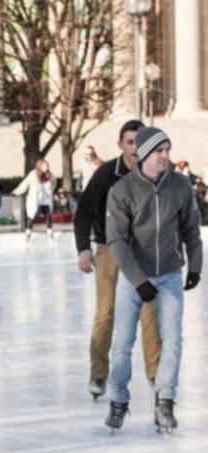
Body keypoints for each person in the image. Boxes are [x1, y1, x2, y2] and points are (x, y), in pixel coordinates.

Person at [104, 127, 202, 433]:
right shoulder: (122, 191)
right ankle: (118, 400)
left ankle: (165, 401)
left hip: (170, 273)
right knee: (122, 343)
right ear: (145, 154)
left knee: (172, 342)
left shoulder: (180, 185)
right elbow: (117, 242)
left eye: (168, 150)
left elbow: (191, 230)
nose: (165, 156)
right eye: (159, 151)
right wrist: (138, 280)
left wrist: (195, 266)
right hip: (135, 278)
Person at [73, 119, 160, 400]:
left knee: (149, 311)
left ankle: (155, 374)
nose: (135, 148)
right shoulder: (107, 173)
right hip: (110, 247)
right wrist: (83, 249)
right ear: (121, 144)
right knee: (106, 310)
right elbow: (84, 212)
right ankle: (99, 373)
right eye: (130, 142)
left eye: (140, 141)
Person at [14, 158, 57, 242]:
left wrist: (51, 189)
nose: (46, 168)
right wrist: (17, 191)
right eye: (44, 166)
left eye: (47, 166)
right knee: (31, 216)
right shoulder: (33, 174)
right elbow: (25, 183)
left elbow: (54, 182)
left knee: (48, 215)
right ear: (40, 166)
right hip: (35, 198)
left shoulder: (50, 175)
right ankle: (28, 232)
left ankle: (50, 232)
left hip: (45, 198)